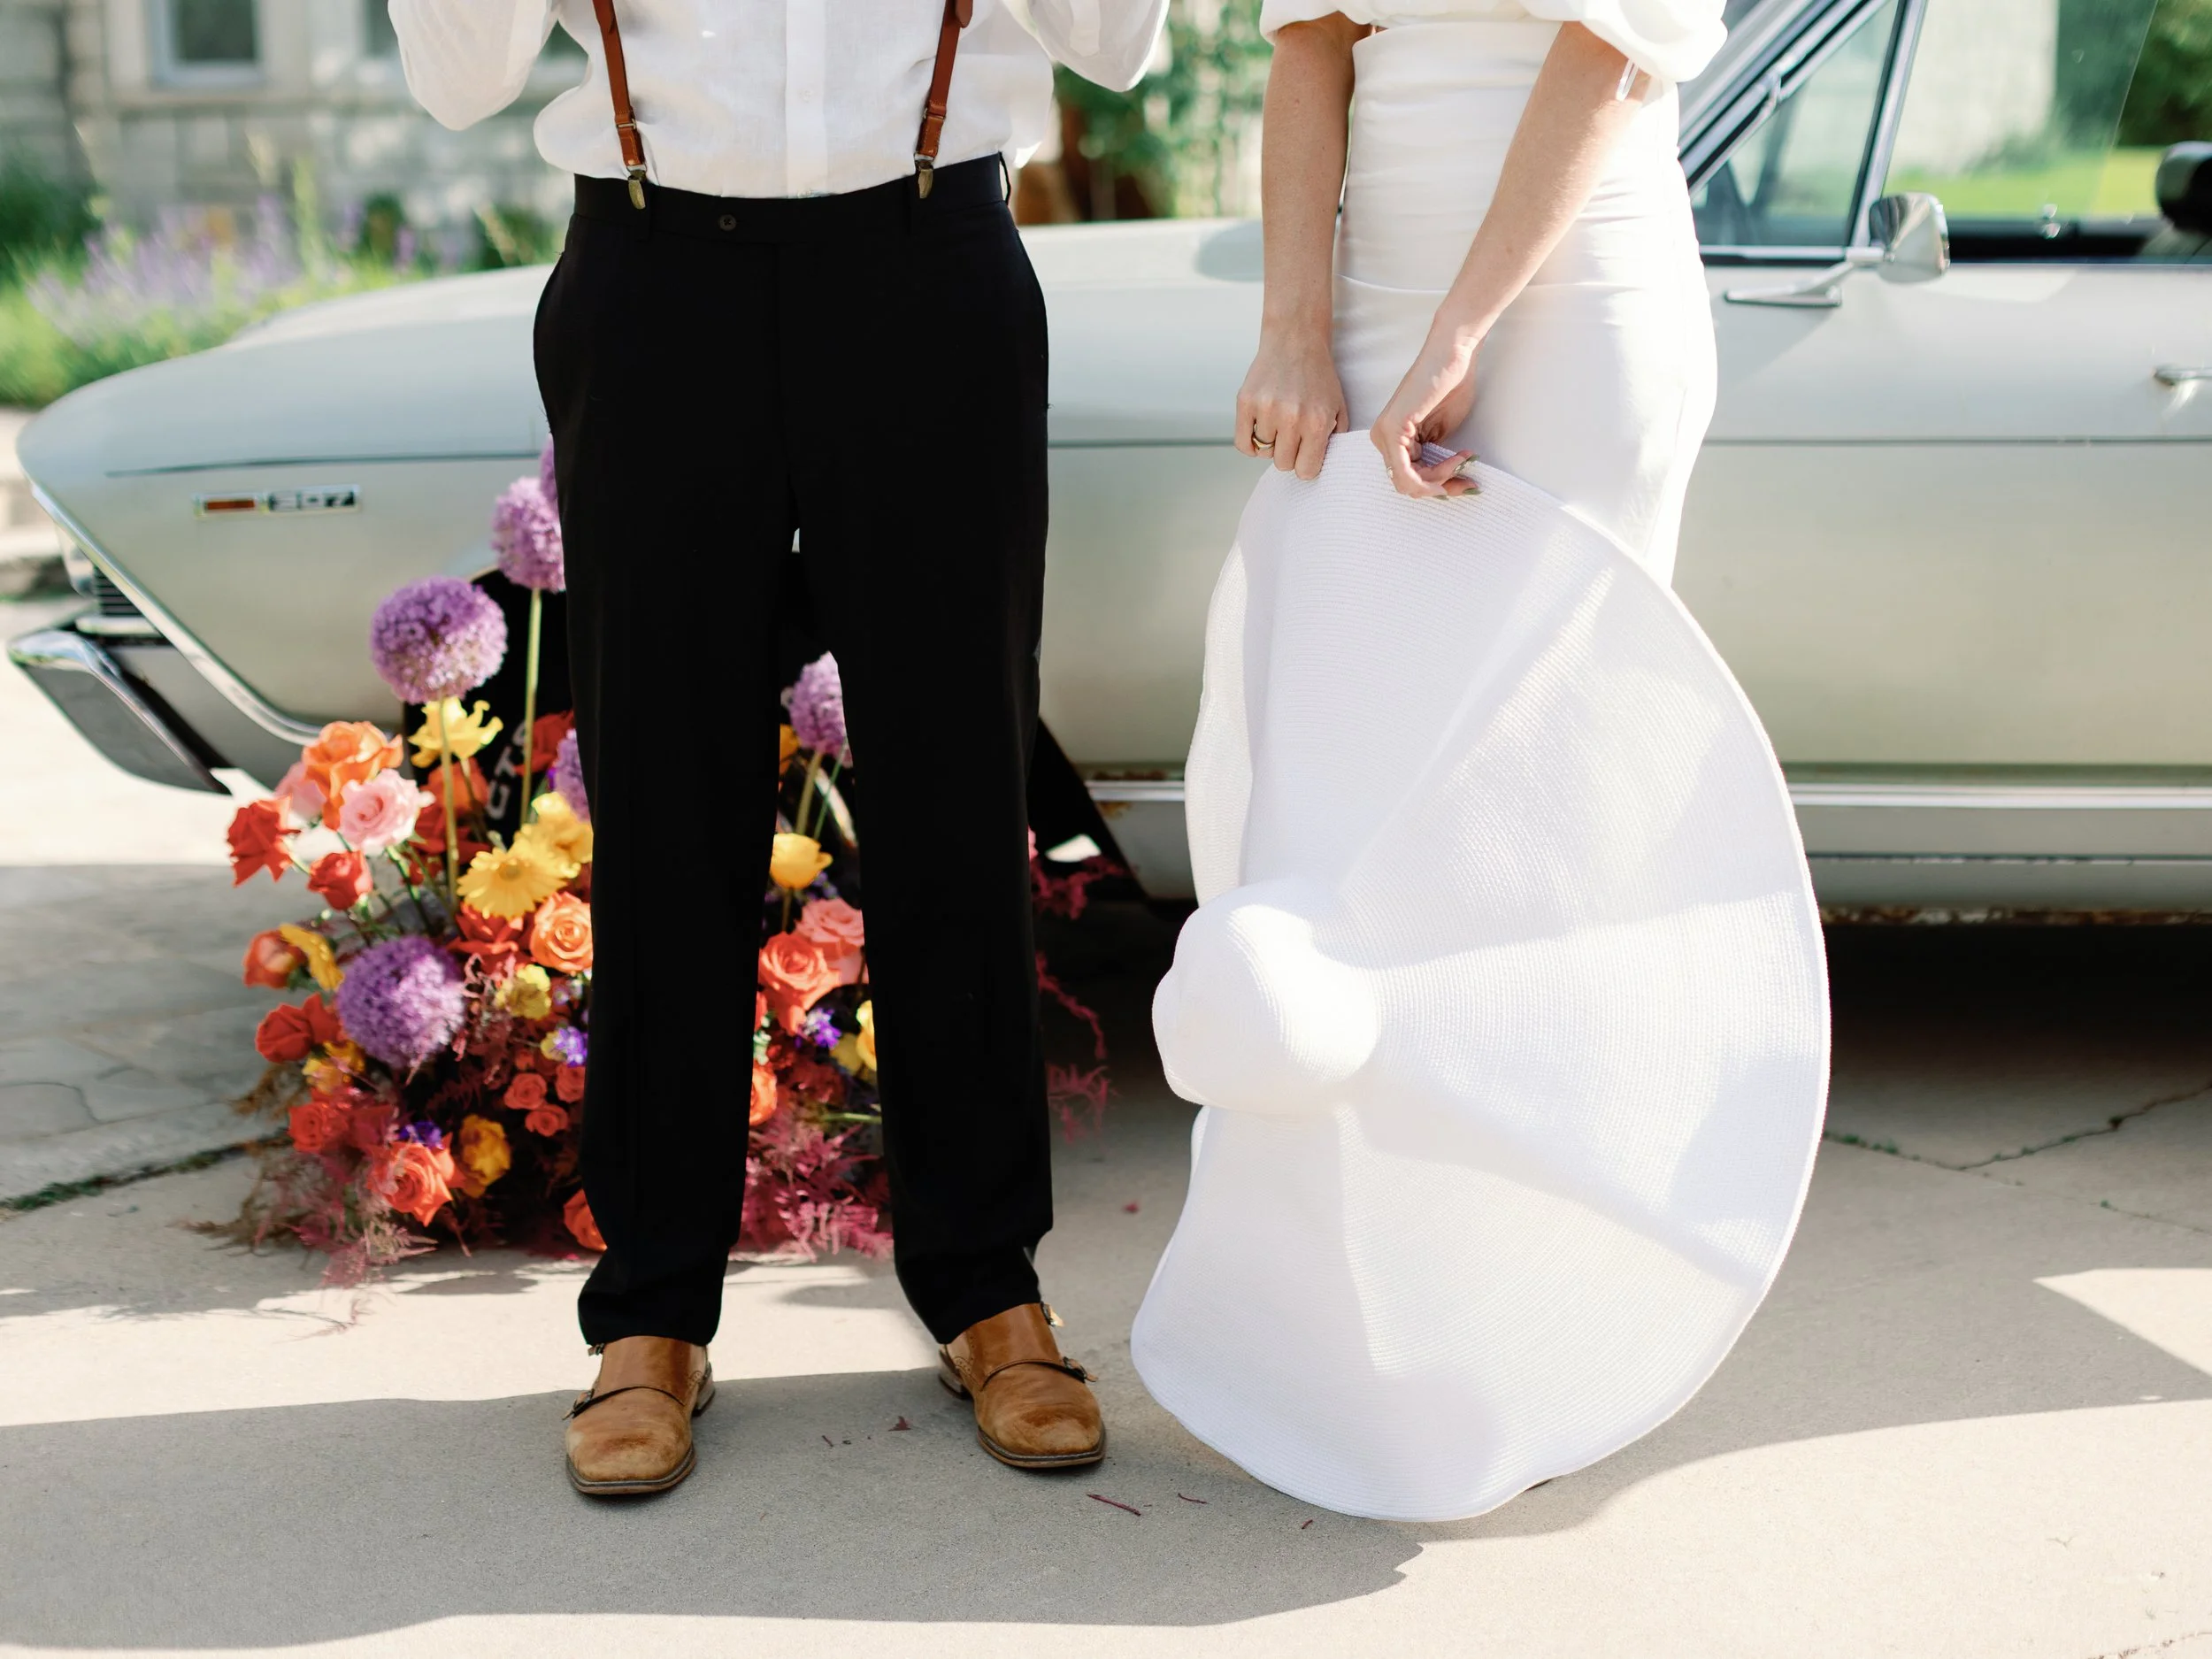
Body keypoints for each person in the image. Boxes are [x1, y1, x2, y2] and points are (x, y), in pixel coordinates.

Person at [389, 0, 1167, 1496]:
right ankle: (653, 1312)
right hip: (653, 271)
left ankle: (988, 1285)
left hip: (931, 267)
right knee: (667, 806)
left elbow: (1118, 47)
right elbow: (460, 82)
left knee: (956, 791)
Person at [1132, 4, 1832, 1520]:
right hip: (1375, 311)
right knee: (1340, 838)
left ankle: (1551, 1339)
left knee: (1546, 848)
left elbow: (1608, 49)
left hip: (1576, 307)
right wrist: (1295, 333)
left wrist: (1465, 329)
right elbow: (1311, 46)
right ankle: (1348, 1337)